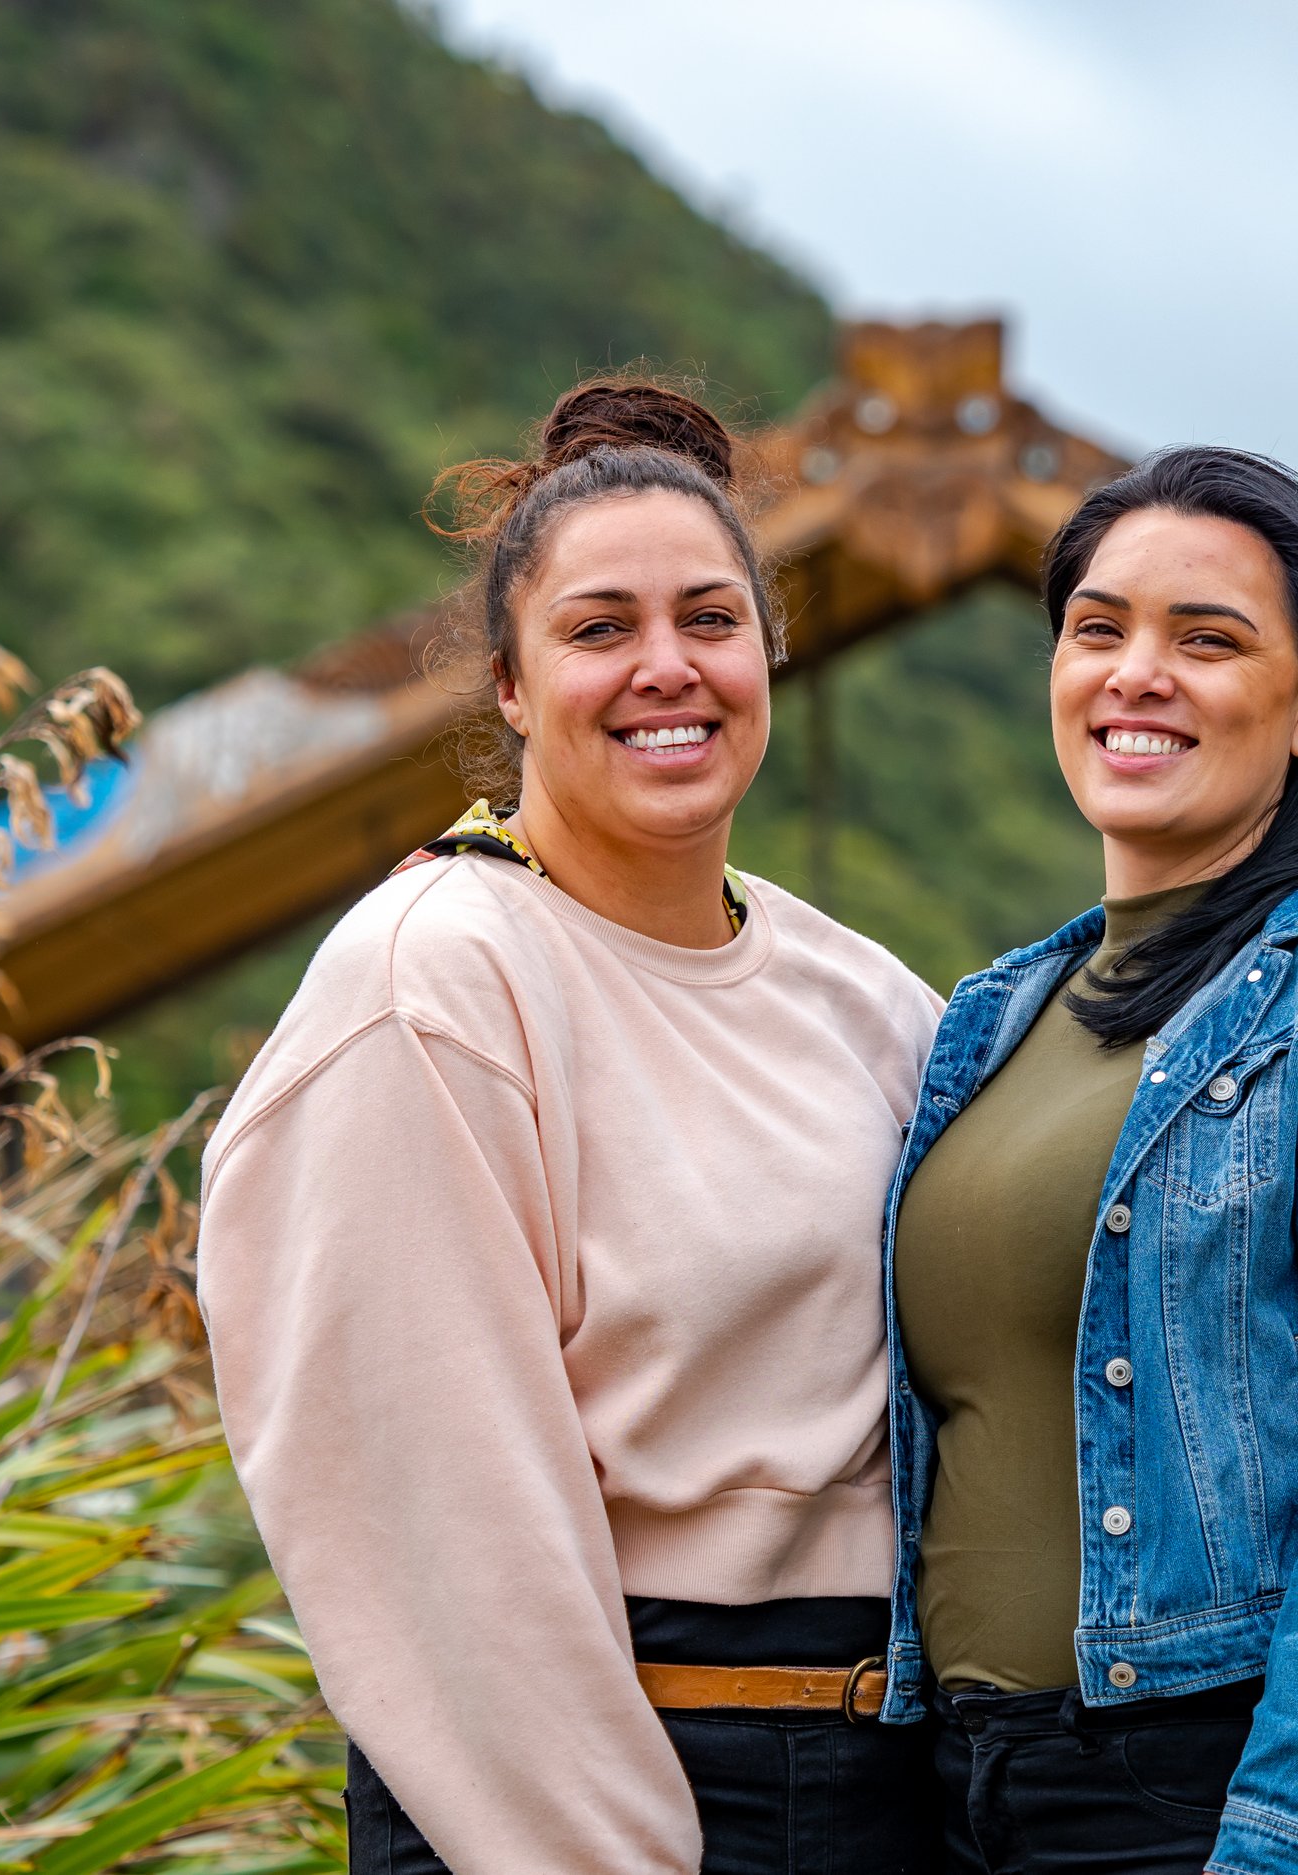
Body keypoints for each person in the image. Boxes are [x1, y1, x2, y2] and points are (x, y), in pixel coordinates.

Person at [196, 382, 946, 1874]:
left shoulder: (866, 1000)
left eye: (710, 619)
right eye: (601, 628)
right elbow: (438, 1521)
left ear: (769, 651)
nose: (668, 667)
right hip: (590, 1786)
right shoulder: (433, 983)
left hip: (882, 1786)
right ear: (509, 686)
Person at [884, 447, 1298, 1874]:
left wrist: (1286, 1836)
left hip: (1212, 1791)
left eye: (1207, 640)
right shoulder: (996, 1017)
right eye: (1098, 629)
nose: (1136, 674)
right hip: (961, 1793)